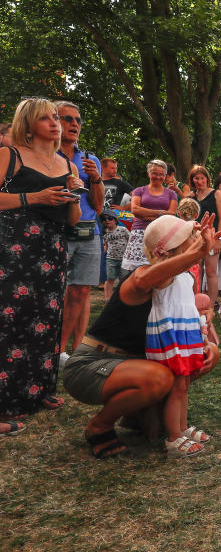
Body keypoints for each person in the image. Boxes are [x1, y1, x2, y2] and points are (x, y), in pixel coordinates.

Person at [61, 213, 220, 458]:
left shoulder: (180, 280)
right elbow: (150, 278)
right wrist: (198, 253)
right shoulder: (141, 276)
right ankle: (100, 426)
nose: (197, 239)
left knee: (201, 359)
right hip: (91, 364)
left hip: (132, 363)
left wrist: (206, 345)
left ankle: (140, 414)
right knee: (161, 377)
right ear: (168, 248)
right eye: (190, 236)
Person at [0, 98, 84, 420]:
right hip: (14, 248)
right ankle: (5, 400)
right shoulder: (11, 155)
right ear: (28, 122)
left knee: (46, 319)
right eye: (46, 118)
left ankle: (37, 389)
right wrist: (34, 197)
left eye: (56, 118)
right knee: (11, 319)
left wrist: (74, 193)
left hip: (53, 248)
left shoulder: (68, 165)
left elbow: (73, 219)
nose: (55, 123)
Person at [140, 216, 212, 457]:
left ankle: (181, 427)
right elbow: (178, 264)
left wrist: (201, 242)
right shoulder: (163, 273)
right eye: (187, 237)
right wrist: (199, 247)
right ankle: (173, 437)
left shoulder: (183, 271)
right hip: (171, 331)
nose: (192, 239)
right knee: (177, 385)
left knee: (185, 384)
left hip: (186, 329)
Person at [56, 101, 105, 370]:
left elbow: (98, 206)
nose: (74, 124)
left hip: (88, 231)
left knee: (82, 291)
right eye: (67, 119)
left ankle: (70, 352)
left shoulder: (89, 159)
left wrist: (95, 178)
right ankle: (53, 350)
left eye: (77, 120)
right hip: (57, 230)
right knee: (54, 292)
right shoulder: (45, 156)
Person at [121, 160, 178, 277]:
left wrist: (146, 214)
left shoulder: (171, 194)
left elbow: (172, 214)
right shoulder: (139, 190)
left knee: (158, 269)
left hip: (162, 234)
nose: (158, 177)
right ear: (148, 173)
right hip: (140, 233)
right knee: (136, 272)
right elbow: (135, 210)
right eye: (155, 173)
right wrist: (161, 213)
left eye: (161, 174)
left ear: (165, 175)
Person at [183, 165, 221, 304]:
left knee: (211, 271)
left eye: (202, 178)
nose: (199, 181)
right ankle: (195, 301)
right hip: (194, 235)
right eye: (196, 178)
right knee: (195, 270)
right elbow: (185, 216)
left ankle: (210, 305)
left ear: (207, 179)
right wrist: (187, 198)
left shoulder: (216, 193)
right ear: (192, 180)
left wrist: (218, 238)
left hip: (212, 235)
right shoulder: (192, 196)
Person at [101, 209, 130, 301]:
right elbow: (106, 246)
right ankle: (108, 299)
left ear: (115, 220)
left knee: (124, 280)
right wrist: (102, 255)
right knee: (109, 279)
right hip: (111, 259)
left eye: (110, 218)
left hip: (123, 259)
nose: (107, 220)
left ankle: (122, 298)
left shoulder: (123, 229)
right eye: (104, 219)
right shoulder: (105, 233)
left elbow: (130, 241)